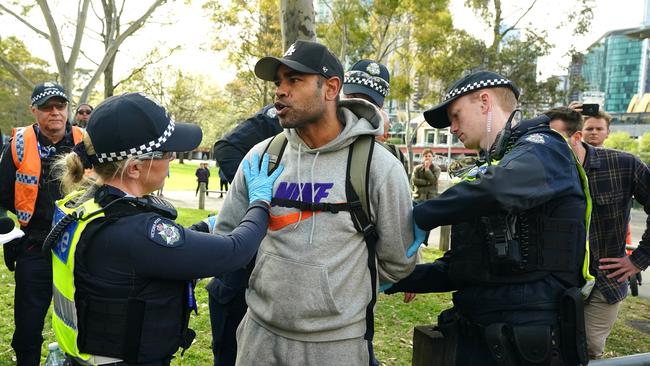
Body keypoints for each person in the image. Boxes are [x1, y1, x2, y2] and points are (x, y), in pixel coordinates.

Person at [215, 40, 415, 365]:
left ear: (331, 88)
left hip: (338, 346)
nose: (280, 91)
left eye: (294, 80)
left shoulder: (378, 167)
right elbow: (227, 237)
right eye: (278, 82)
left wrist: (336, 291)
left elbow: (397, 260)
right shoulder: (263, 157)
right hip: (258, 339)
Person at [45, 92, 283, 366]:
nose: (171, 159)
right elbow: (235, 252)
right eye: (167, 152)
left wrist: (206, 226)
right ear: (134, 167)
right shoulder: (133, 231)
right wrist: (260, 202)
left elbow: (151, 252)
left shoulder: (85, 207)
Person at [385, 71, 592, 366]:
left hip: (528, 342)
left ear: (484, 102)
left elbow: (499, 189)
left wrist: (421, 216)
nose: (453, 128)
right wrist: (393, 278)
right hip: (480, 335)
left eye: (456, 116)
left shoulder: (544, 148)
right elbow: (464, 268)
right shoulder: (493, 168)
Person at [546, 107, 650, 359]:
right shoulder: (545, 171)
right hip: (555, 281)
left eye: (556, 141)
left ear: (577, 136)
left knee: (588, 347)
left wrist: (638, 260)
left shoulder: (624, 164)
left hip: (605, 278)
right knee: (550, 346)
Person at [0, 82, 83, 365]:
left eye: (60, 106)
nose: (55, 113)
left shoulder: (87, 142)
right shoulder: (18, 145)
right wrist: (10, 235)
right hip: (35, 245)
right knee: (28, 323)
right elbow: (2, 196)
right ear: (34, 110)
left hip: (79, 245)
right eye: (47, 107)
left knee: (84, 319)